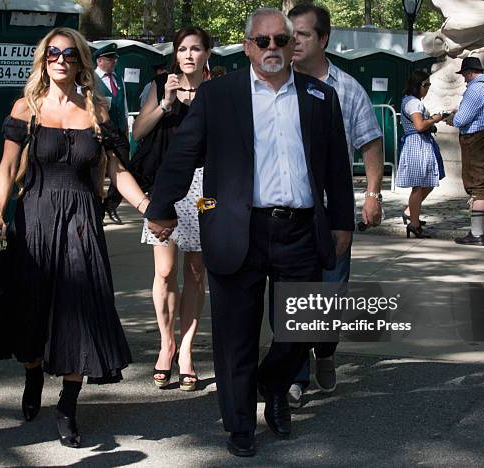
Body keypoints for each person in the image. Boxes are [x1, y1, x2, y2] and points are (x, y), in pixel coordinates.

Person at [145, 8, 353, 457]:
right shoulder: (220, 95)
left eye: (282, 40)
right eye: (264, 41)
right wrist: (161, 209)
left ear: (292, 45)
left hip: (300, 231)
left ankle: (273, 386)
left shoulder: (320, 97)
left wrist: (342, 221)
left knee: (302, 327)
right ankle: (240, 423)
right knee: (235, 334)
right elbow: (183, 154)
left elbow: (337, 166)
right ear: (247, 47)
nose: (274, 48)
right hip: (236, 229)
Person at [0, 27, 151, 449]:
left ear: (81, 60)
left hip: (82, 220)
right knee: (30, 310)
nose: (60, 60)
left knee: (80, 311)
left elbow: (118, 172)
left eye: (68, 53)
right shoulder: (25, 108)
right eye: (52, 54)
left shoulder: (98, 111)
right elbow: (7, 170)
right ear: (43, 60)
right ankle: (33, 374)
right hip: (35, 221)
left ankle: (67, 404)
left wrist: (146, 210)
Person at [287, 3, 384, 408]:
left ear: (323, 39)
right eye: (289, 35)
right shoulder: (278, 84)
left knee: (328, 298)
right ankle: (294, 374)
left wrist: (373, 193)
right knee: (293, 297)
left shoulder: (347, 89)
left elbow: (371, 141)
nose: (292, 43)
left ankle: (324, 351)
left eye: (302, 35)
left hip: (333, 213)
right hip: (287, 211)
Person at [132, 26, 211, 392]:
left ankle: (186, 352)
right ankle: (166, 343)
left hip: (204, 186)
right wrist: (166, 103)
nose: (189, 55)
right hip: (166, 184)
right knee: (165, 271)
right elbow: (138, 133)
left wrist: (201, 109)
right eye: (183, 49)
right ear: (175, 54)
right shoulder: (161, 85)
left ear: (207, 54)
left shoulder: (217, 90)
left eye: (196, 49)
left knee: (196, 271)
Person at [446, 56, 484, 246]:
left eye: (464, 75)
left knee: (478, 187)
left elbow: (461, 120)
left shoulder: (475, 88)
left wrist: (452, 117)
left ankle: (477, 234)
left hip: (479, 140)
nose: (464, 79)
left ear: (470, 72)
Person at [395, 70, 446, 239]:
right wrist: (435, 119)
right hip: (417, 144)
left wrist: (429, 121)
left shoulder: (411, 101)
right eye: (426, 85)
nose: (428, 88)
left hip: (419, 144)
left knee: (428, 182)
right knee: (419, 186)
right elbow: (419, 125)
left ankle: (411, 212)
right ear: (418, 85)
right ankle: (414, 224)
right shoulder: (413, 103)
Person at [94, 43, 130, 225]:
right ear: (100, 61)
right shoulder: (91, 79)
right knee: (98, 171)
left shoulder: (117, 79)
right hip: (99, 132)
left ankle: (111, 205)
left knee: (124, 167)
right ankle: (96, 210)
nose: (114, 62)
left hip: (118, 132)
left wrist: (125, 127)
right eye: (110, 59)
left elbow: (123, 104)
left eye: (114, 59)